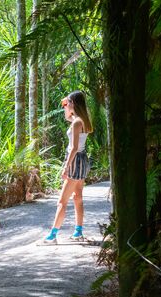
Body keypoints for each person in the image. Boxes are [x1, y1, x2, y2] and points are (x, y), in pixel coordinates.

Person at [44, 90, 93, 244]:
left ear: (75, 104)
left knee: (62, 201)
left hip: (75, 160)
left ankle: (52, 235)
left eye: (69, 102)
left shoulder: (77, 122)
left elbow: (73, 147)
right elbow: (67, 116)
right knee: (77, 197)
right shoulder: (81, 120)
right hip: (82, 160)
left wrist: (66, 167)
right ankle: (78, 232)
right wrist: (65, 103)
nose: (67, 104)